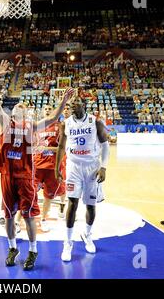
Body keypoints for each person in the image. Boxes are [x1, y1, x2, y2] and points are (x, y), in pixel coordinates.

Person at [0, 60, 75, 271]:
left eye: (23, 105)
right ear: (13, 112)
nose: (19, 106)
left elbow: (54, 116)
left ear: (27, 113)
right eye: (17, 105)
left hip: (26, 177)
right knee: (9, 216)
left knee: (28, 216)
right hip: (7, 177)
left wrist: (64, 101)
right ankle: (12, 248)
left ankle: (33, 250)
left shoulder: (32, 127)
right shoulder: (5, 123)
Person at [55, 95, 110, 262]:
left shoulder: (95, 122)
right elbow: (62, 146)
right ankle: (68, 242)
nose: (73, 104)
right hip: (73, 166)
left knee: (91, 205)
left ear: (84, 105)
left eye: (76, 102)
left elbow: (106, 144)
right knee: (72, 202)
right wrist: (56, 167)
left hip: (92, 167)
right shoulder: (66, 123)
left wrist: (104, 167)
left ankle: (87, 234)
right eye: (71, 103)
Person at [34, 104, 70, 232]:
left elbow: (63, 148)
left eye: (50, 109)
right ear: (42, 111)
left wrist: (47, 149)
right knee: (29, 193)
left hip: (53, 166)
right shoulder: (37, 127)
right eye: (46, 109)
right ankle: (18, 219)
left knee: (55, 192)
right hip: (37, 166)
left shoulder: (60, 126)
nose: (48, 110)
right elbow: (31, 146)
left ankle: (49, 215)